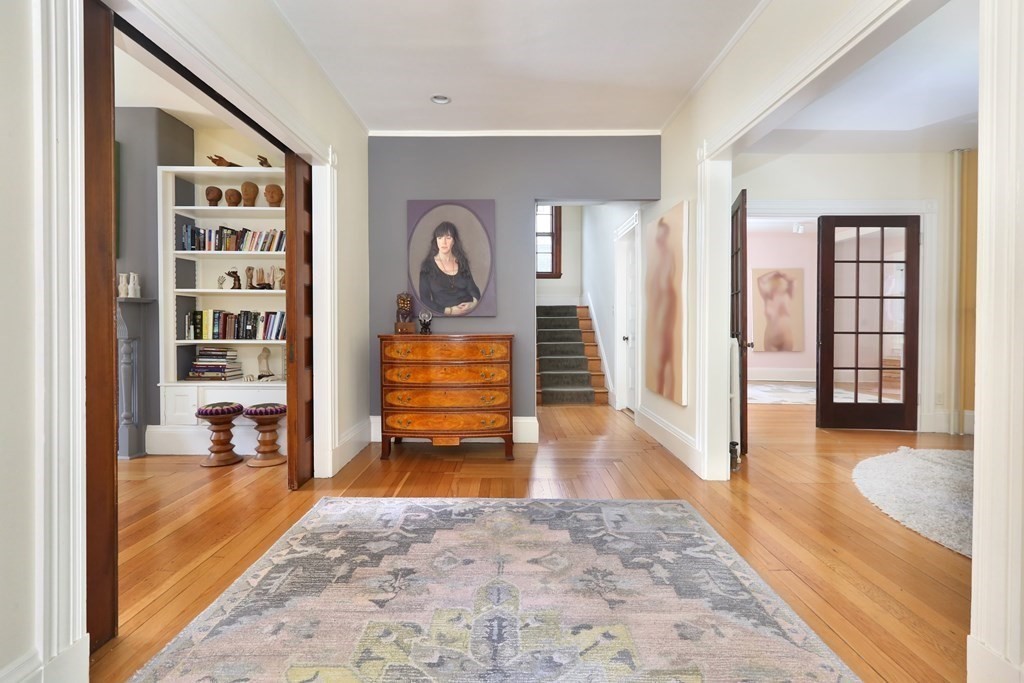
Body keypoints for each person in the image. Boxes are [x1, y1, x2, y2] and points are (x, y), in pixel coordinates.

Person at [418, 221, 481, 316]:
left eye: (448, 238)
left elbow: (474, 290)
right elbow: (425, 300)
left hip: (468, 315)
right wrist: (449, 311)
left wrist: (473, 305)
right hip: (444, 317)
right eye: (440, 238)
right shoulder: (427, 267)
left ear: (454, 241)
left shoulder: (462, 262)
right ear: (436, 241)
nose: (444, 242)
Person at [648, 218, 678, 399]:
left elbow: (665, 284)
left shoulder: (667, 255)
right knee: (662, 352)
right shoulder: (659, 257)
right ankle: (660, 391)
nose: (659, 240)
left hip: (667, 302)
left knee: (665, 352)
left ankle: (665, 391)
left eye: (662, 236)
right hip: (662, 303)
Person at [757, 270, 796, 351]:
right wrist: (774, 273)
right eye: (774, 283)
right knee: (768, 359)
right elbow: (760, 280)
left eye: (778, 283)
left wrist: (782, 274)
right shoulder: (767, 296)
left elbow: (793, 281)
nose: (776, 285)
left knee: (788, 359)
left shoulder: (788, 295)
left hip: (785, 338)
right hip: (770, 338)